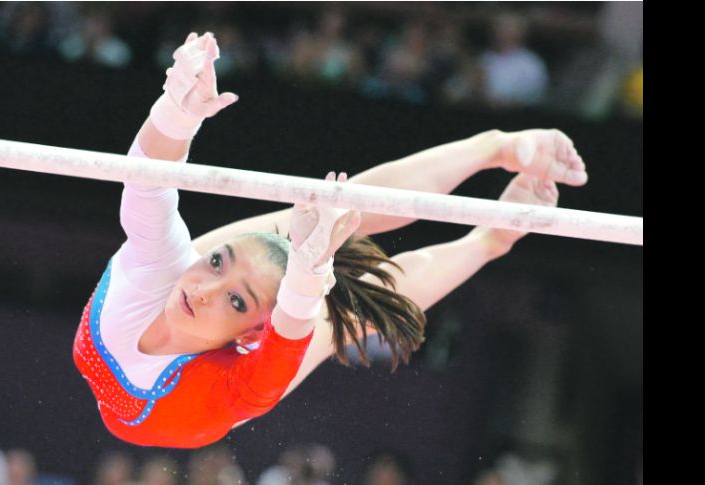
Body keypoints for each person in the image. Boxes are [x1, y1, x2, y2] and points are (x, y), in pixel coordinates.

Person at [73, 32, 587, 448]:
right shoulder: (162, 269)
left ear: (254, 332)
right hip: (234, 325)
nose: (203, 288)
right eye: (215, 263)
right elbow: (146, 180)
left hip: (204, 386)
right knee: (339, 215)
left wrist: (307, 273)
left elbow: (292, 319)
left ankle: (491, 236)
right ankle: (494, 152)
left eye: (235, 300)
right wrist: (177, 110)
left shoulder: (239, 381)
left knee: (341, 309)